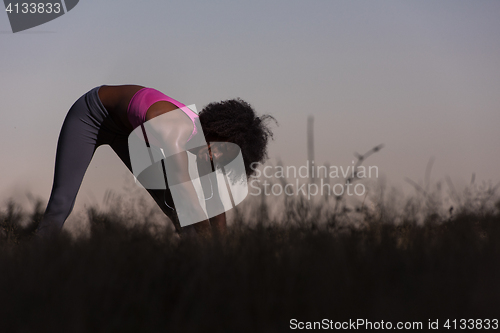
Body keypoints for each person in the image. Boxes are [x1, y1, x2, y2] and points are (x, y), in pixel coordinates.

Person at [35, 85, 276, 238]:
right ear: (215, 129)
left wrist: (223, 251)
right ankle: (32, 270)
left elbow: (215, 204)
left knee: (181, 218)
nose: (214, 157)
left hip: (128, 133)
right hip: (91, 116)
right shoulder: (176, 128)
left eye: (223, 159)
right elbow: (182, 185)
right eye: (219, 149)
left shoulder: (206, 148)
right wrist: (206, 239)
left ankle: (193, 280)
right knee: (60, 206)